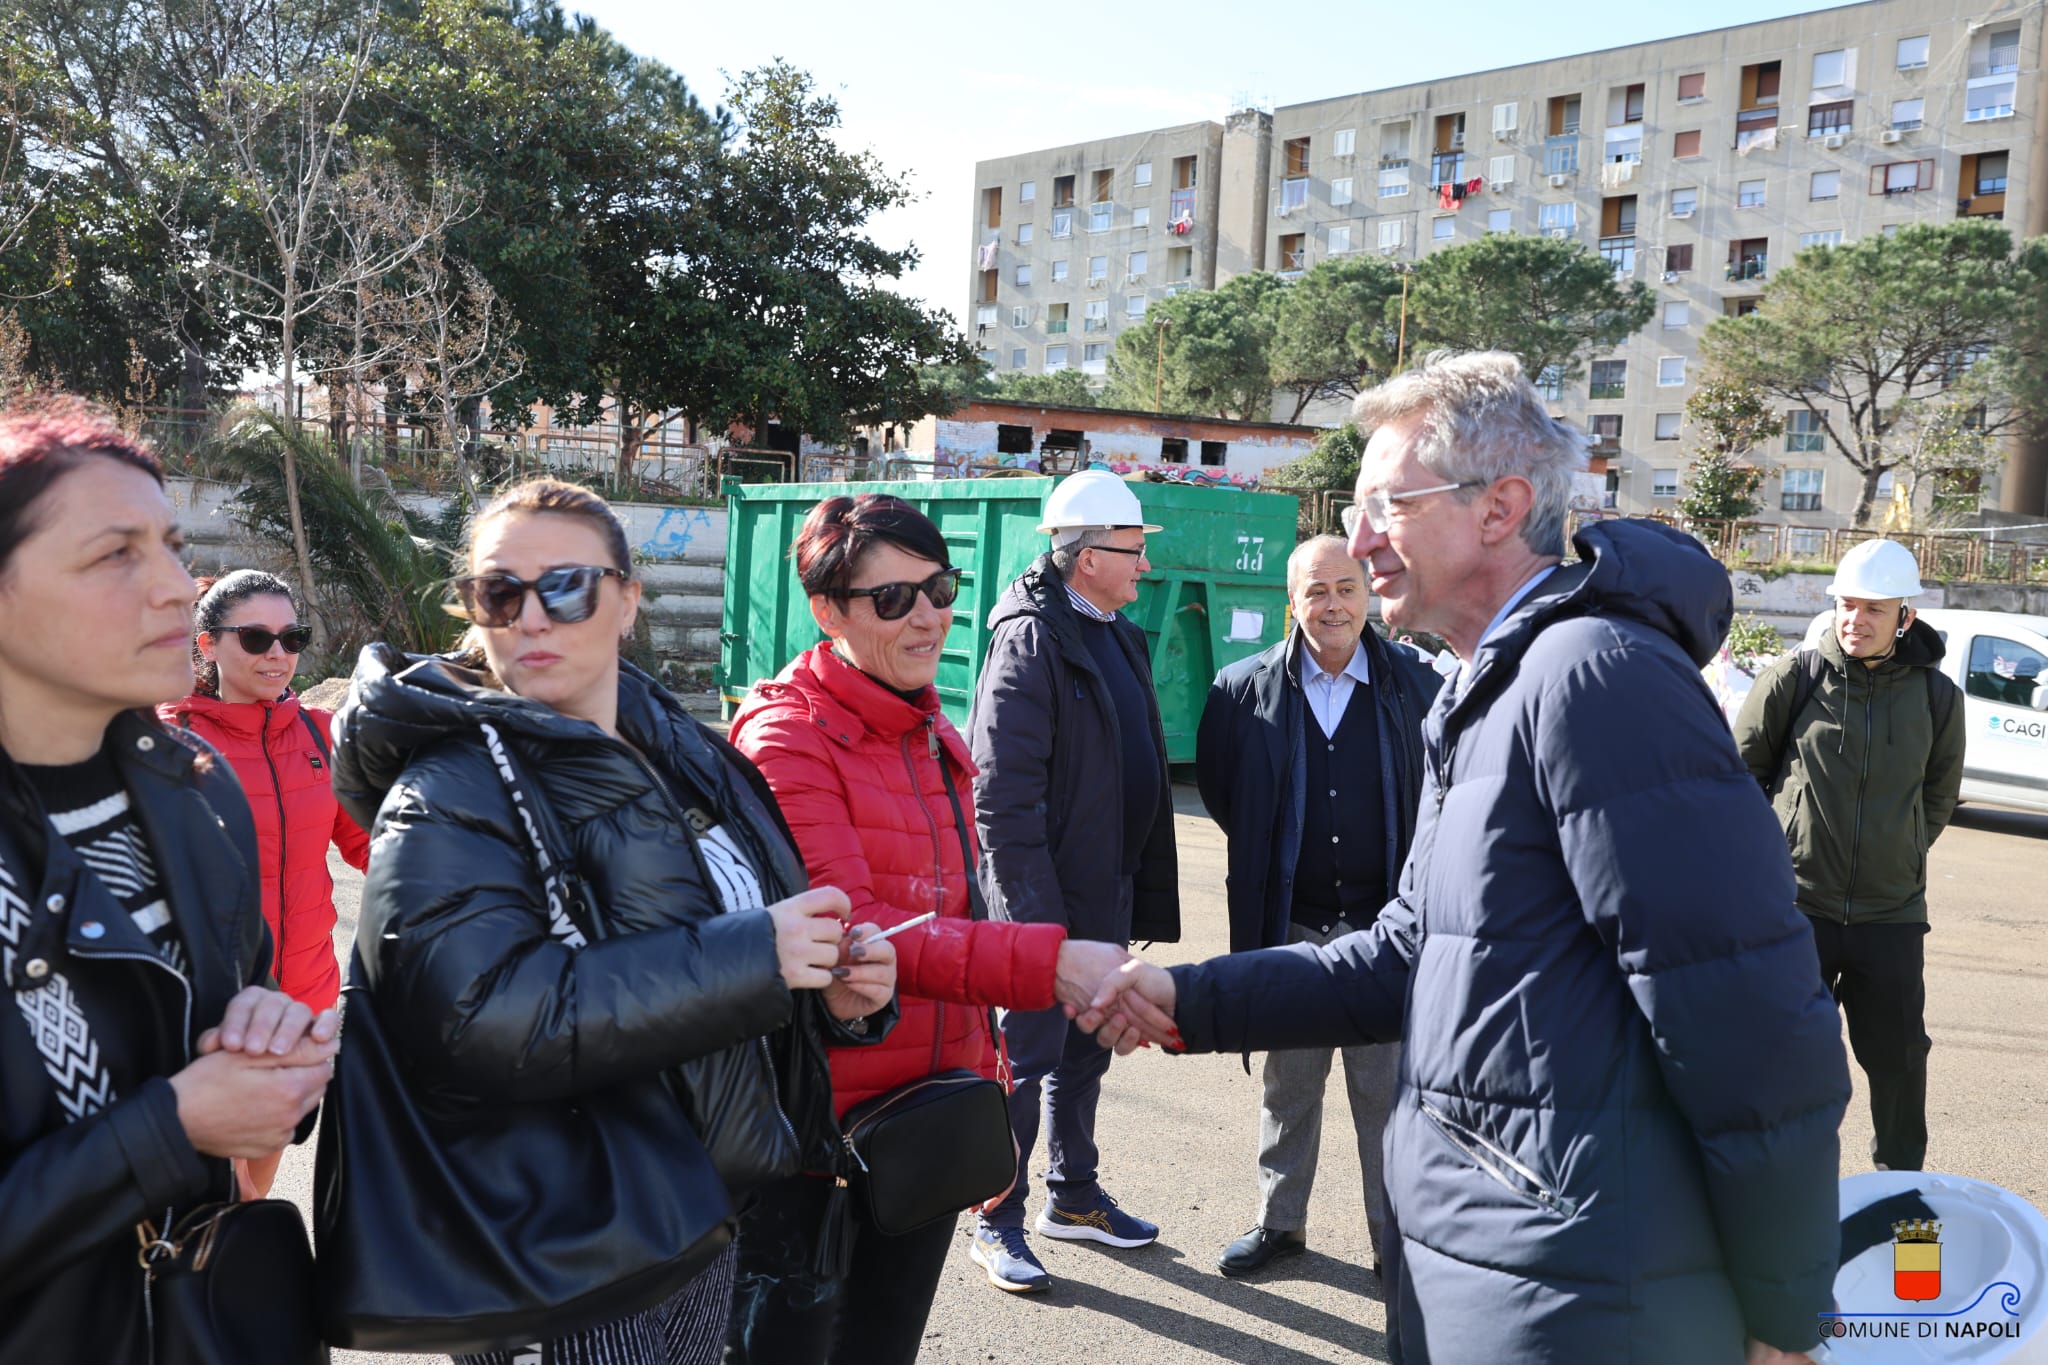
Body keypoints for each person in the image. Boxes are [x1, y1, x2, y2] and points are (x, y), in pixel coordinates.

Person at [1076, 352, 1851, 1365]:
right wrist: (1188, 997)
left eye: (1383, 507)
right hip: (1486, 1264)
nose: (1356, 544)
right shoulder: (1486, 688)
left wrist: (1782, 1316)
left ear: (1499, 508)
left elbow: (1749, 1021)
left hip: (1575, 1294)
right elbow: (1411, 953)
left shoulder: (1596, 681)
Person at [330, 478, 898, 1365]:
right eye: (499, 592)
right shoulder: (447, 787)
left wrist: (838, 992)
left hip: (695, 1211)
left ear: (629, 600)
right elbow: (478, 1020)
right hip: (560, 1236)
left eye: (567, 585)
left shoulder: (691, 751)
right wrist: (753, 954)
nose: (531, 616)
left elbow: (741, 960)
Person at [727, 493, 1134, 1359]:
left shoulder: (919, 718)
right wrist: (1049, 964)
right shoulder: (788, 736)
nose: (927, 617)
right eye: (893, 598)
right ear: (827, 609)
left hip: (925, 1119)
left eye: (940, 589)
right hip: (820, 1141)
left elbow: (954, 900)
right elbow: (856, 929)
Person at [0, 402, 337, 1363]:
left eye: (172, 547)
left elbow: (247, 993)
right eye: (116, 555)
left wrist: (280, 1041)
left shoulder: (193, 790)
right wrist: (178, 1123)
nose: (176, 590)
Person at [1195, 534, 1439, 1280]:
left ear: (1367, 594)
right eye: (1316, 592)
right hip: (1293, 925)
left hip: (1385, 930)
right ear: (1290, 602)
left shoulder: (1415, 682)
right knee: (1289, 1084)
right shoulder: (1243, 689)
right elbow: (1225, 791)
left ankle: (1392, 1240)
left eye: (1346, 589)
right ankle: (1279, 1224)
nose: (1332, 606)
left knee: (1388, 1098)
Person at [964, 469, 1180, 1294]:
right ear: (1086, 556)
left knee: (1086, 1053)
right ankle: (995, 1216)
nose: (1143, 567)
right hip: (1042, 910)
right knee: (1022, 1062)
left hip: (1102, 893)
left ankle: (1073, 1195)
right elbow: (1002, 797)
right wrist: (1036, 930)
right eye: (1132, 552)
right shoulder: (1030, 638)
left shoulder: (1113, 629)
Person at [1733, 539, 1965, 1174]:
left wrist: (1906, 850)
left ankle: (1900, 1198)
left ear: (1904, 618)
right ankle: (1770, 1188)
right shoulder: (1793, 678)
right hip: (1796, 909)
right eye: (1846, 605)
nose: (1854, 620)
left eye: (1872, 610)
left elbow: (1940, 792)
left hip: (1890, 916)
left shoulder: (1938, 698)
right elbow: (1736, 783)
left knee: (1900, 1062)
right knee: (1780, 1059)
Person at [160, 569, 370, 1197]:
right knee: (215, 1194)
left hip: (303, 996)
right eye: (255, 638)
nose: (277, 654)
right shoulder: (169, 740)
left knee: (261, 1182)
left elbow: (368, 848)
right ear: (207, 645)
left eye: (291, 636)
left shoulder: (318, 733)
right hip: (209, 1007)